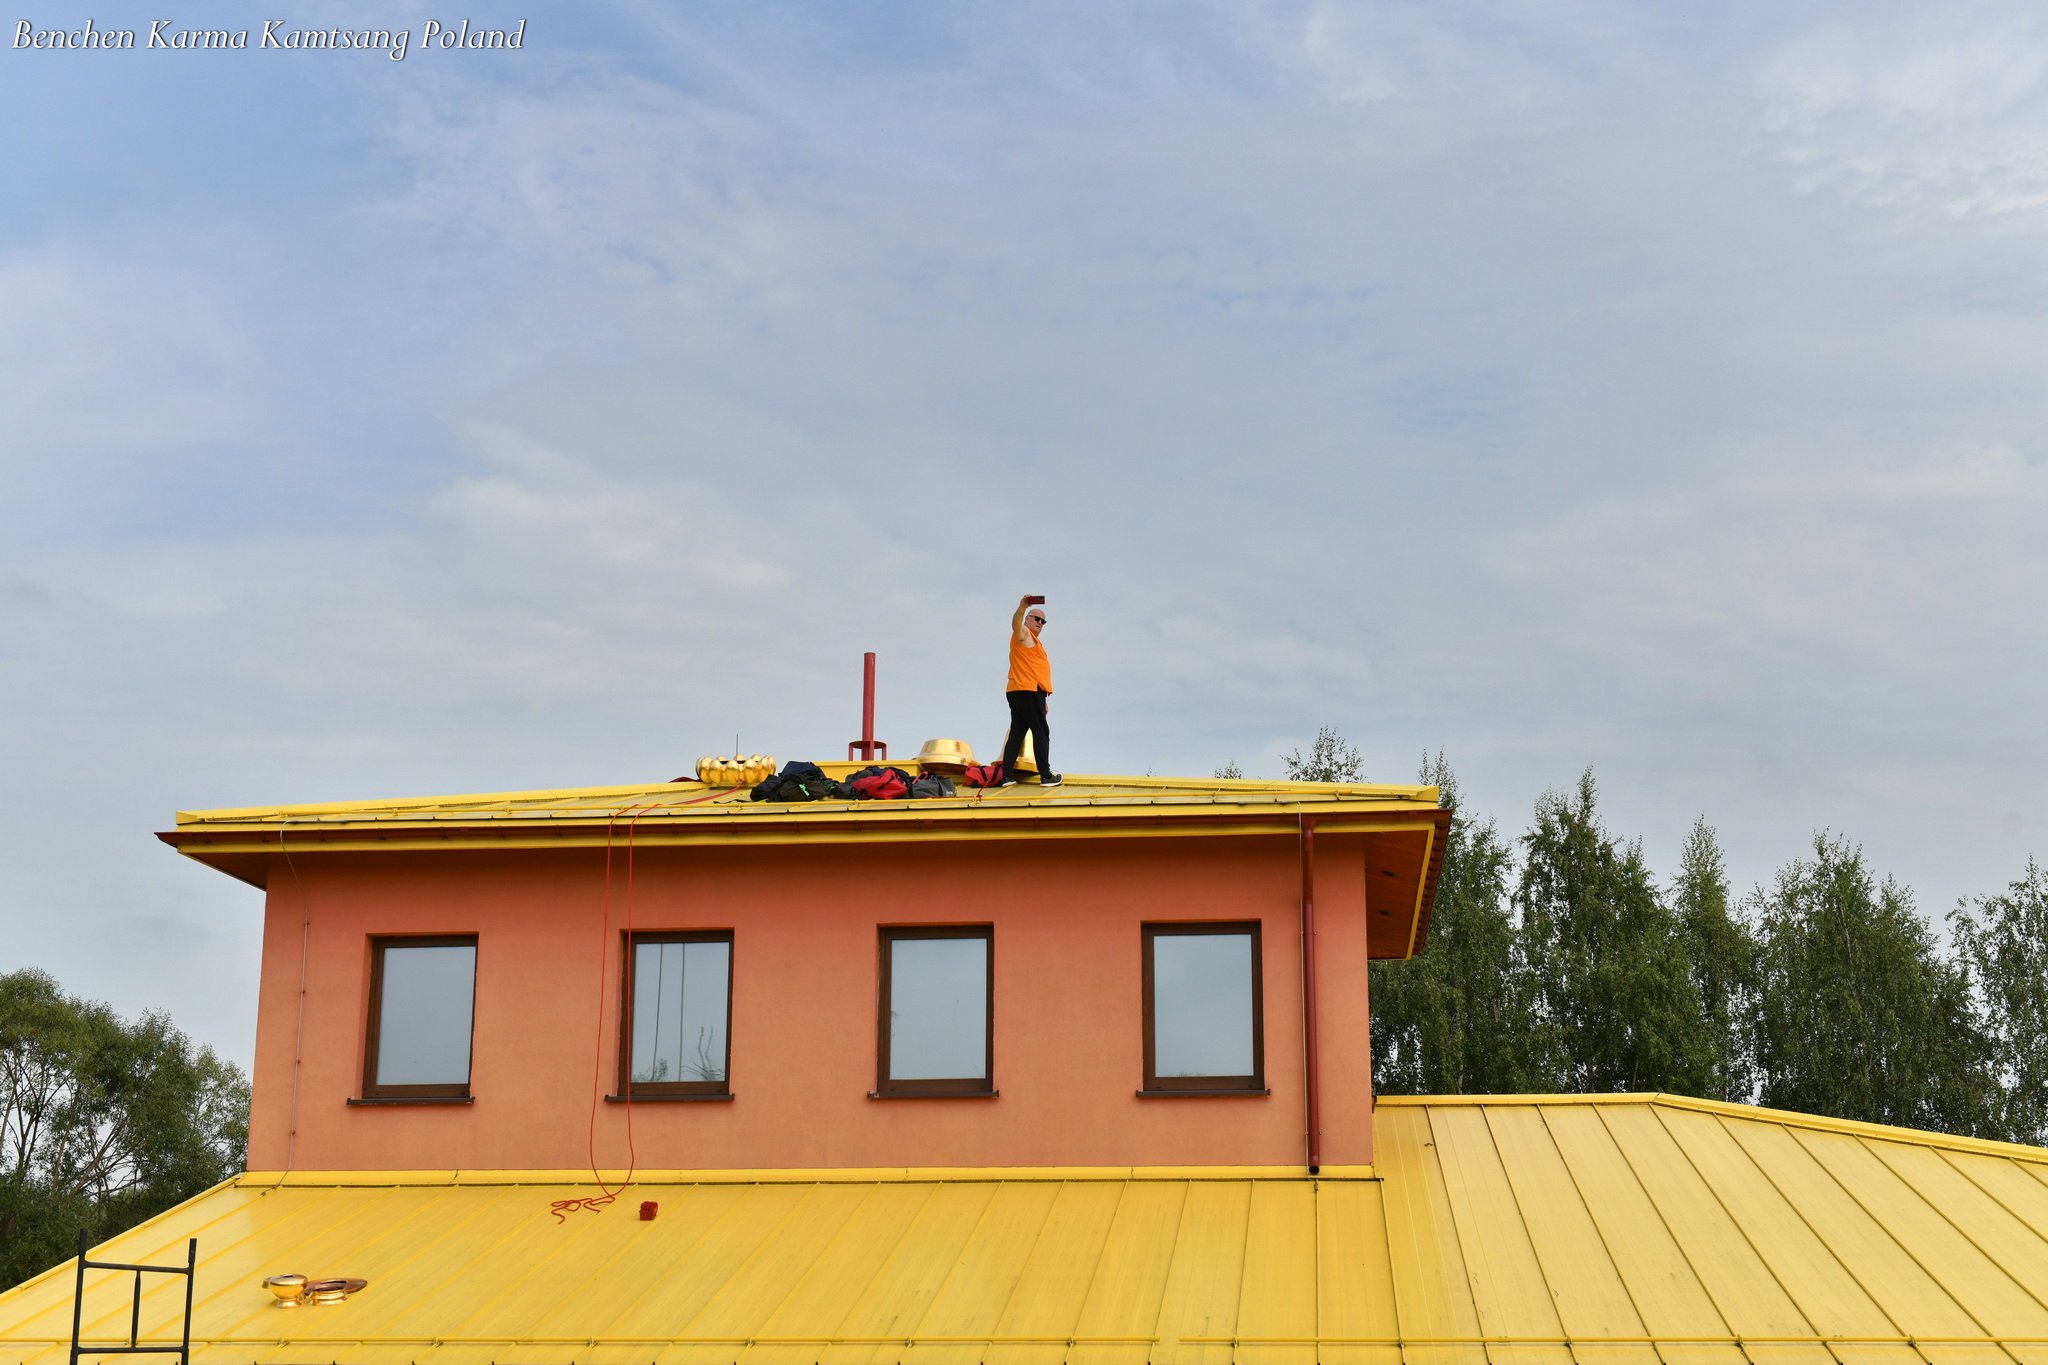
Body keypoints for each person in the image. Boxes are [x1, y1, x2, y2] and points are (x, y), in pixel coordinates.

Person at [998, 596, 1061, 786]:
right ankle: (1046, 775)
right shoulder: (1024, 633)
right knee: (1041, 731)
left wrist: (1044, 699)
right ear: (1027, 619)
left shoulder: (1035, 642)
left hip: (1020, 691)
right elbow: (1016, 625)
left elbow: (1035, 670)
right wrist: (1022, 607)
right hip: (1027, 690)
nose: (1040, 623)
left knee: (1017, 732)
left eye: (1043, 621)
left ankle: (1006, 776)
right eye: (1036, 618)